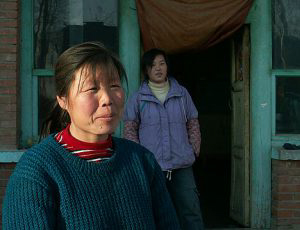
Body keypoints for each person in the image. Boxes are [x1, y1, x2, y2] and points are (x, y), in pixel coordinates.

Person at [2, 42, 180, 229]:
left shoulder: (143, 162)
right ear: (63, 99)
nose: (107, 99)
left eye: (114, 85)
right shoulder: (37, 171)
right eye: (92, 89)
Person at [123, 48, 204, 230]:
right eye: (152, 65)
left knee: (191, 210)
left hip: (182, 163)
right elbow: (130, 130)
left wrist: (193, 149)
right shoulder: (138, 98)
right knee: (155, 211)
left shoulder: (182, 94)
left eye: (162, 63)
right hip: (153, 166)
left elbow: (193, 122)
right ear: (146, 70)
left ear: (167, 66)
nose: (158, 68)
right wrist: (140, 159)